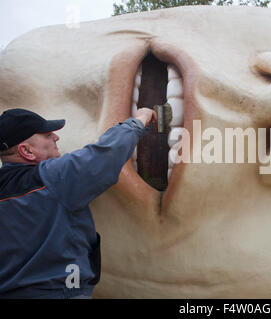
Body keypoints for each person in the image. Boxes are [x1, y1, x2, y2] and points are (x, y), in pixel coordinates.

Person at [0, 107, 157, 299]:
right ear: (26, 151)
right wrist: (139, 121)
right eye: (48, 135)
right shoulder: (51, 179)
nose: (56, 138)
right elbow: (104, 156)